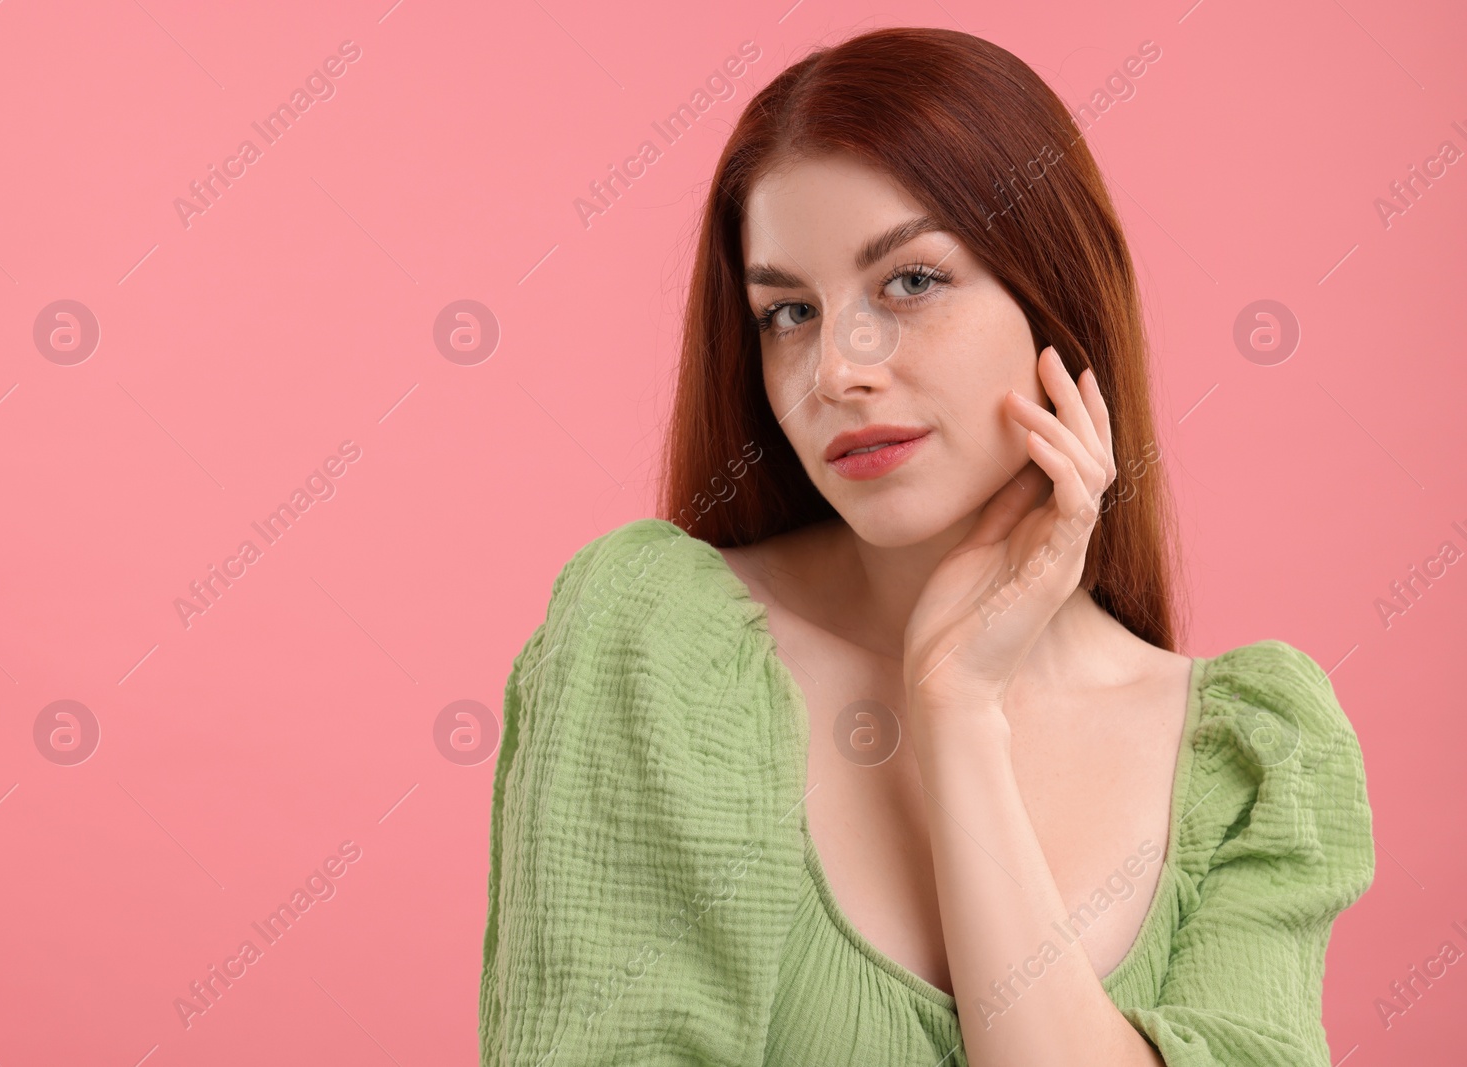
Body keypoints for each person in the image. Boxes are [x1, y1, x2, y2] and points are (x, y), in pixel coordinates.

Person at [480, 26, 1374, 1066]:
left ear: (1056, 295)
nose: (835, 371)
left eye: (909, 282)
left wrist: (956, 714)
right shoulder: (654, 645)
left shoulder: (1256, 755)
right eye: (787, 312)